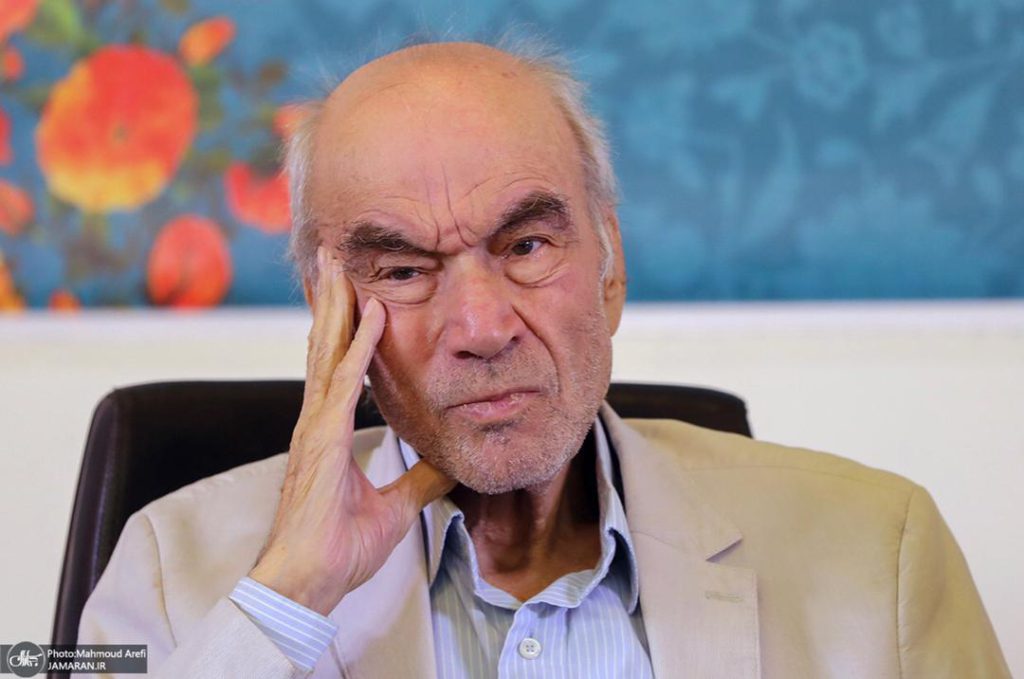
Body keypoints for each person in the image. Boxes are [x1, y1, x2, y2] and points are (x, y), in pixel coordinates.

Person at [78, 40, 1010, 678]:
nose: (482, 326)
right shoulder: (163, 572)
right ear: (328, 311)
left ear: (610, 267)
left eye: (527, 246)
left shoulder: (880, 551)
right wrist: (288, 595)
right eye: (402, 270)